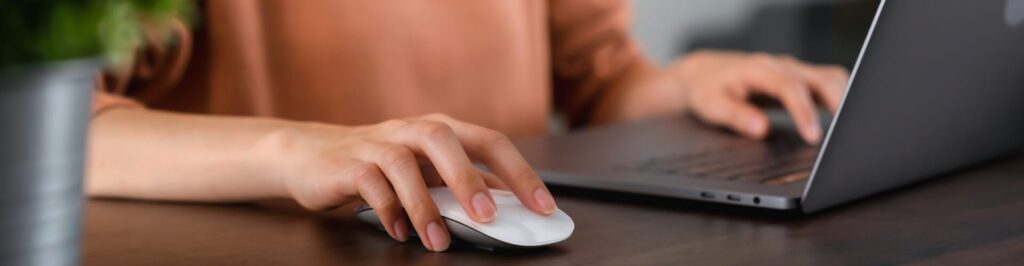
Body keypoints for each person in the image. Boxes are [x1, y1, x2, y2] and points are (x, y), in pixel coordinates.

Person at [88, 1, 848, 252]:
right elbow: (50, 134)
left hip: (489, 237)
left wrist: (686, 84)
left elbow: (599, 80)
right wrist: (293, 149)